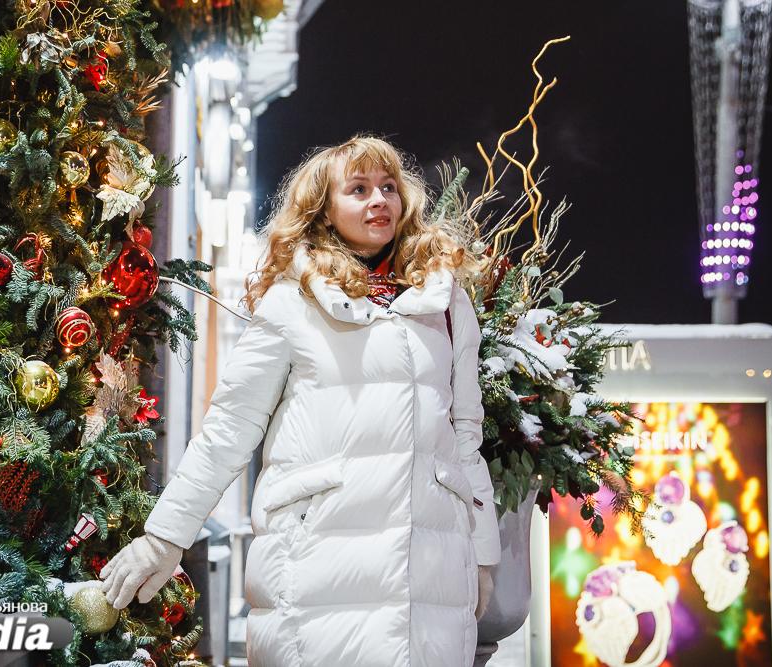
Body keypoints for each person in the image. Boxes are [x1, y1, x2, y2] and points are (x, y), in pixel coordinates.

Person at [100, 135, 500, 666]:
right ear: (325, 209)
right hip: (318, 565)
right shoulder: (292, 303)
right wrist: (165, 537)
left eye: (388, 187)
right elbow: (229, 429)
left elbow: (465, 436)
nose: (379, 200)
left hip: (431, 572)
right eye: (358, 189)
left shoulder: (445, 303)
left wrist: (483, 556)